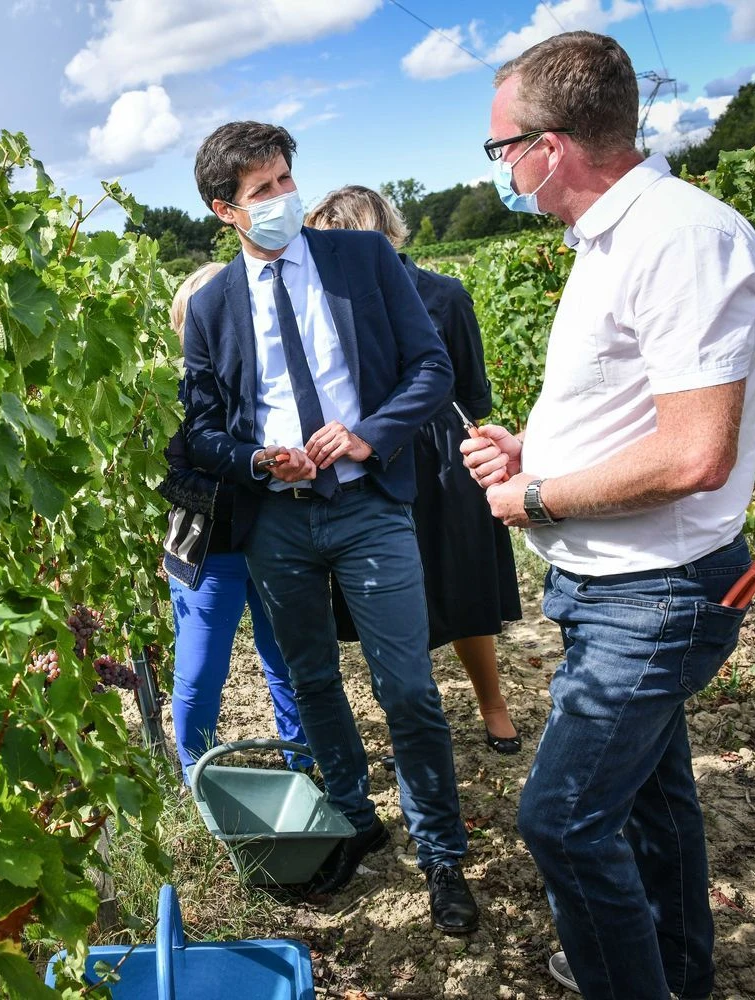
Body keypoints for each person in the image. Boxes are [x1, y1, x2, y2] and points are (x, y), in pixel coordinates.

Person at [463, 31, 755, 999]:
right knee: (650, 797)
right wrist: (536, 452)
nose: (501, 168)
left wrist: (536, 495)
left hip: (660, 592)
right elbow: (640, 413)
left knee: (561, 819)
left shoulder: (684, 238)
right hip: (617, 585)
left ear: (548, 147)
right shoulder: (613, 241)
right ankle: (673, 970)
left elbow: (694, 452)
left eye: (501, 148)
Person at [182, 121, 478, 934]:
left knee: (408, 687)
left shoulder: (363, 260)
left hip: (369, 504)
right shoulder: (210, 307)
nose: (283, 199)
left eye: (285, 180)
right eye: (261, 191)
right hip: (280, 523)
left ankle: (442, 851)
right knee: (311, 683)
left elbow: (431, 370)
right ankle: (352, 817)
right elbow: (202, 428)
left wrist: (368, 433)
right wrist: (255, 460)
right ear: (224, 210)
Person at [307, 187, 524, 753]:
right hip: (370, 458)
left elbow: (472, 395)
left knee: (462, 582)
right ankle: (417, 714)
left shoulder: (444, 295)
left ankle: (492, 703)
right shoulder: (325, 302)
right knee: (394, 595)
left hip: (440, 457)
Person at [164, 262, 310, 776]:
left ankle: (303, 764)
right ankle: (196, 776)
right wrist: (245, 484)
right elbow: (169, 478)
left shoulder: (271, 384)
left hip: (275, 545)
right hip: (208, 552)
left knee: (289, 664)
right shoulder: (167, 396)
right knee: (201, 674)